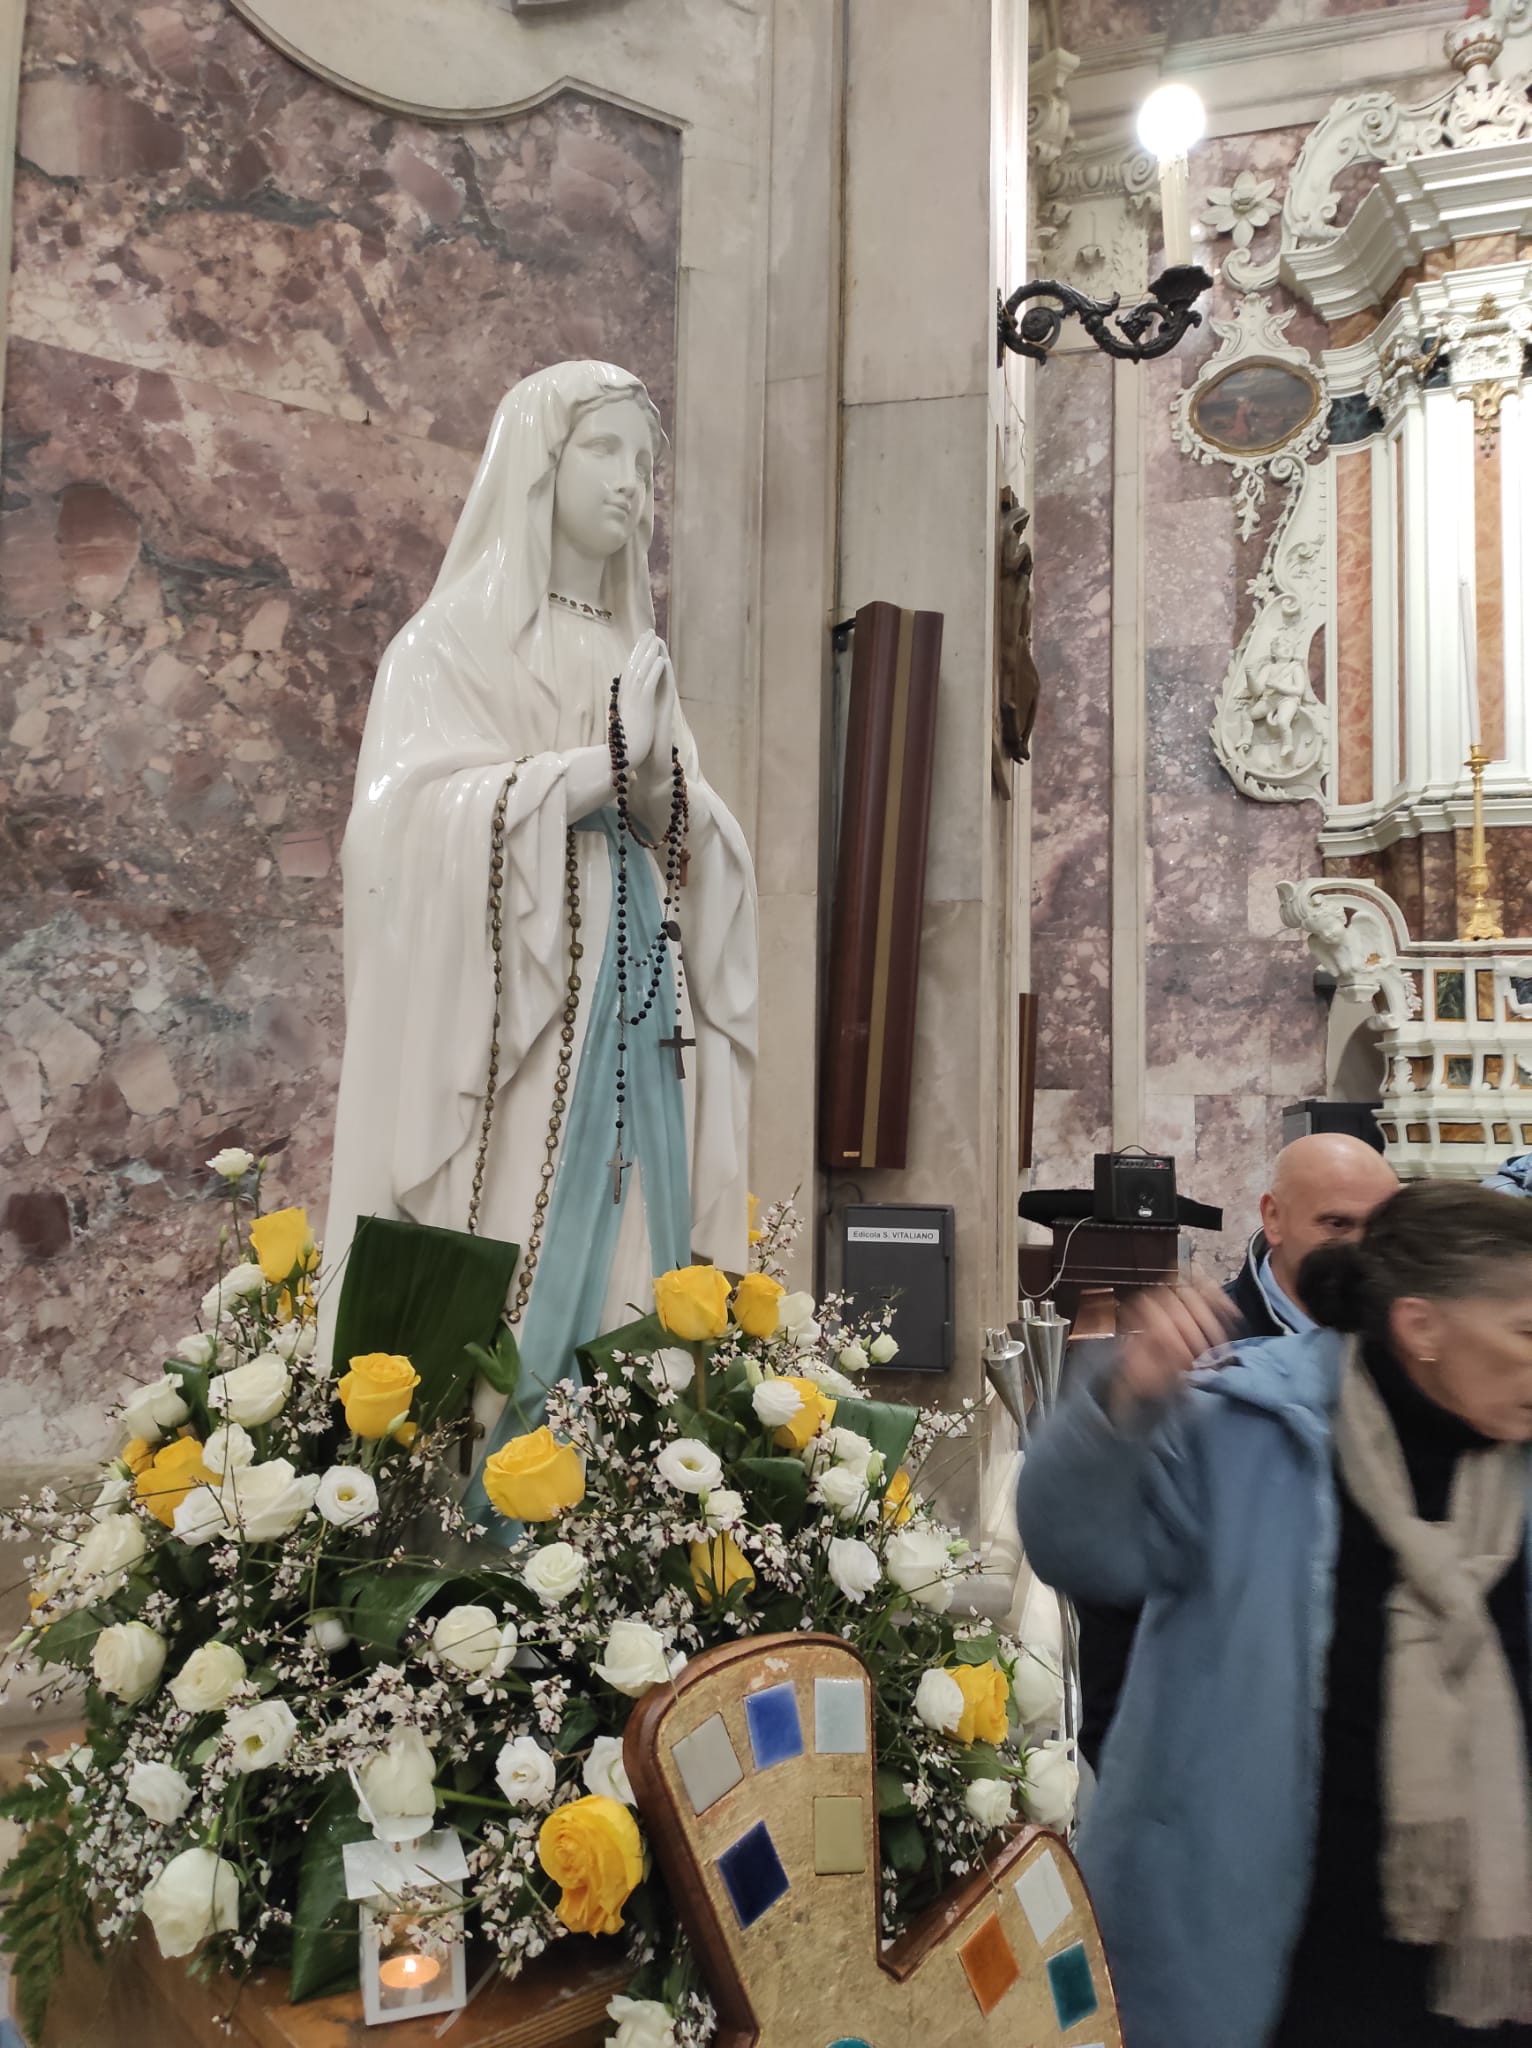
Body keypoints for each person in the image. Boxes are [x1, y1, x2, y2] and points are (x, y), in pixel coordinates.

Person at [323, 363, 757, 1503]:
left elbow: (684, 824)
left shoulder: (630, 649)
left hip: (639, 1010)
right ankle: (496, 1503)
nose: (633, 489)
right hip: (513, 1038)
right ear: (538, 467)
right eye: (606, 454)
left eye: (646, 468)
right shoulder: (446, 647)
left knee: (635, 1250)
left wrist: (669, 791)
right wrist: (568, 777)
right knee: (524, 1236)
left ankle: (624, 1502)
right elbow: (392, 837)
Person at [1018, 1182, 1532, 2048]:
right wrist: (1120, 1409)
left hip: (1485, 1957)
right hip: (1275, 1952)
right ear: (1422, 1328)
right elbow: (1078, 1547)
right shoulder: (1251, 1424)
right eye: (1525, 1331)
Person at [1075, 1132, 1398, 1768]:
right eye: (1337, 1223)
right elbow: (1112, 1580)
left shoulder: (1408, 1359)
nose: (1362, 1251)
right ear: (1272, 1217)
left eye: (1379, 1228)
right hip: (1213, 1756)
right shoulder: (1193, 1358)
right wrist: (1122, 1755)